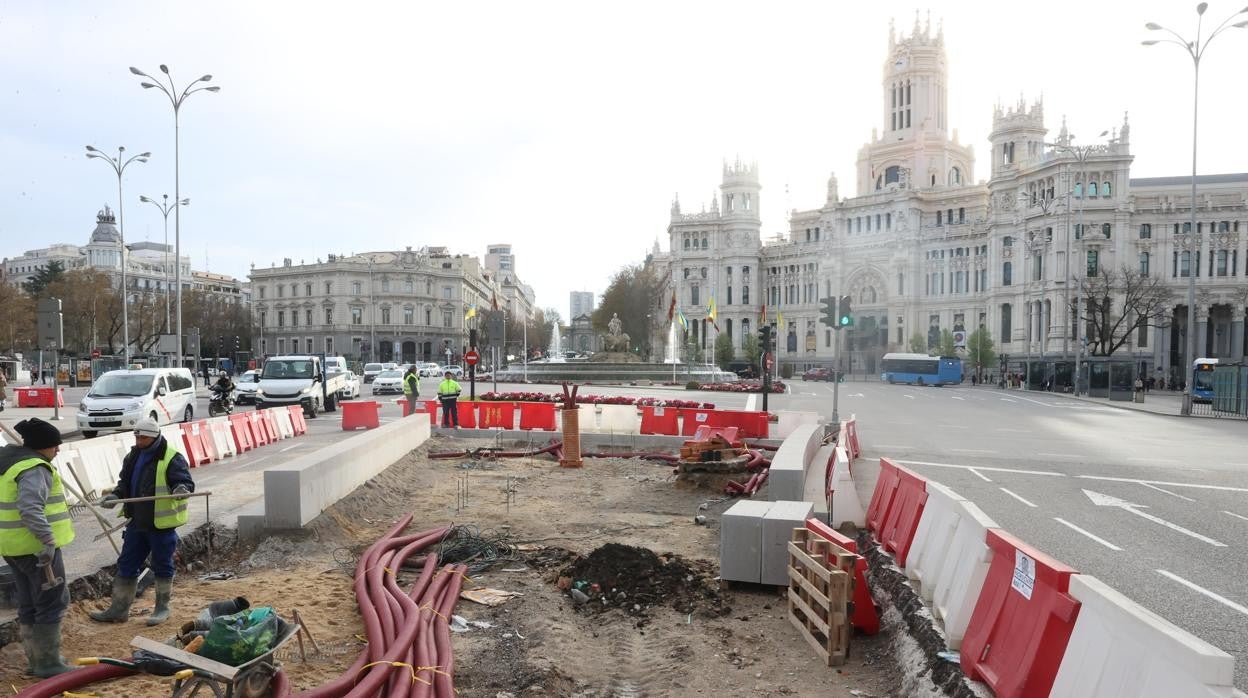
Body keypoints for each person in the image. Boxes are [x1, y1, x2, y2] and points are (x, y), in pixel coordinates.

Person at [90, 419, 194, 626]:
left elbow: (185, 482)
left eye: (143, 437)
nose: (138, 441)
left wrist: (181, 490)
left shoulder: (172, 457)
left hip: (160, 525)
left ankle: (162, 608)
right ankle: (119, 609)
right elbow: (124, 484)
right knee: (127, 564)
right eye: (136, 436)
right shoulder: (133, 456)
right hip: (136, 522)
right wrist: (115, 496)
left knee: (162, 565)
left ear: (154, 436)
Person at [0, 418, 75, 677]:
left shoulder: (10, 463)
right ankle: (48, 663)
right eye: (56, 445)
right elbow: (30, 508)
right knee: (52, 601)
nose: (58, 450)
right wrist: (48, 541)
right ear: (43, 446)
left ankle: (36, 660)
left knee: (29, 602)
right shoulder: (35, 468)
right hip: (37, 549)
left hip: (13, 546)